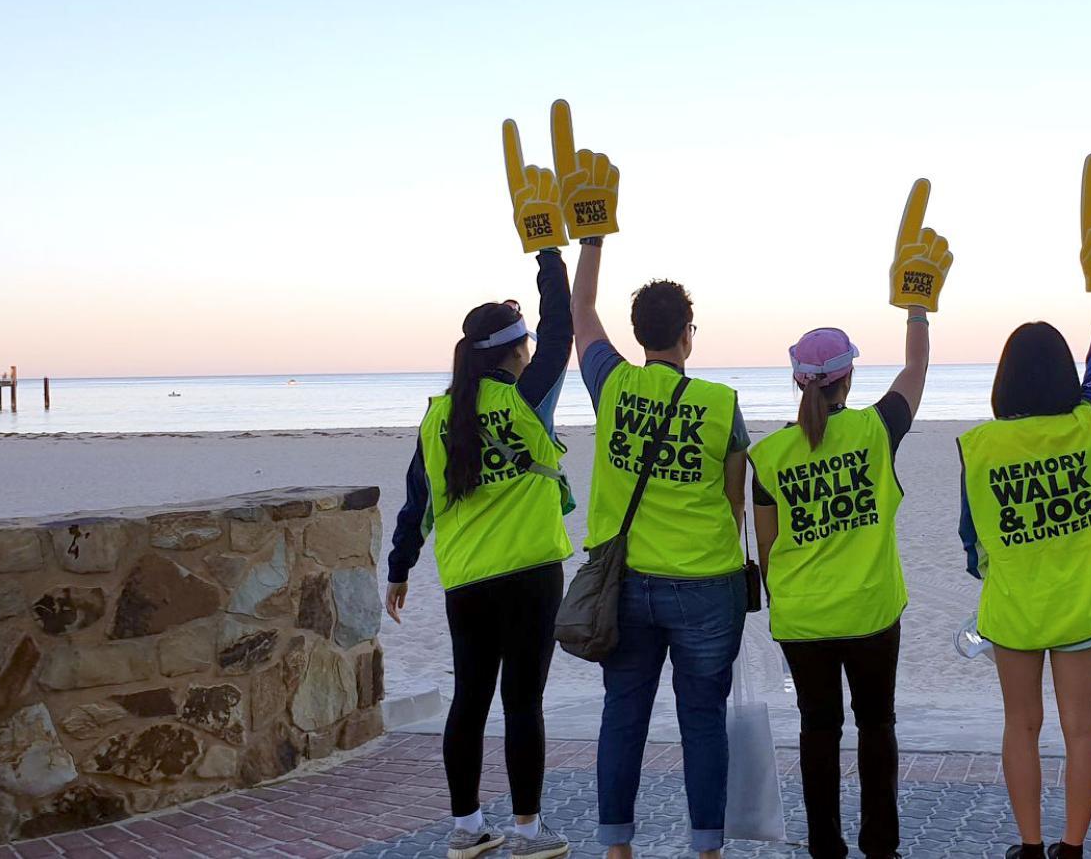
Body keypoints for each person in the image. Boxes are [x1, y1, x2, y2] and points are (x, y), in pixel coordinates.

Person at [382, 245, 577, 859]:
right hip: (530, 574)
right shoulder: (525, 398)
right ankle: (526, 832)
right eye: (526, 348)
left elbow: (418, 498)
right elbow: (562, 330)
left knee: (469, 701)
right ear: (517, 353)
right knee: (523, 703)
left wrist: (399, 568)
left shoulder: (438, 416)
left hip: (465, 580)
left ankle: (465, 830)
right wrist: (550, 256)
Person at [572, 239, 751, 858]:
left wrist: (590, 242)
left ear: (639, 334)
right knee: (702, 722)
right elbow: (733, 502)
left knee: (624, 714)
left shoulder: (613, 385)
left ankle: (617, 847)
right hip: (705, 584)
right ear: (688, 336)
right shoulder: (720, 404)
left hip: (625, 585)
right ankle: (707, 849)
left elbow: (580, 309)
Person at [956, 283, 1091, 859]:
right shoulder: (1087, 427)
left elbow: (971, 536)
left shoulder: (982, 446)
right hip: (1082, 602)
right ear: (1063, 378)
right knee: (1081, 726)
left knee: (1021, 725)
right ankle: (1072, 847)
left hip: (1013, 607)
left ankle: (1029, 846)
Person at [748, 305, 930, 859]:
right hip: (872, 611)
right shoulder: (875, 430)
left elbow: (768, 549)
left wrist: (793, 606)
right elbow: (916, 368)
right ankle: (881, 845)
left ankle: (825, 845)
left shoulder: (771, 454)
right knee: (877, 725)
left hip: (803, 618)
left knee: (818, 731)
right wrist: (917, 307)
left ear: (797, 381)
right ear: (848, 377)